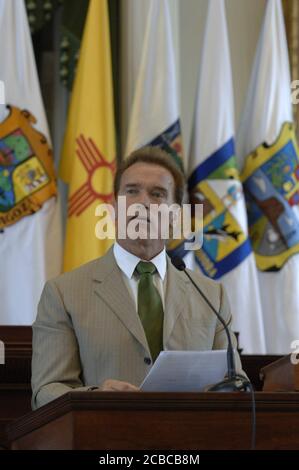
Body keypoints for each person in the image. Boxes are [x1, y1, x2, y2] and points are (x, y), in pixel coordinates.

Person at [31, 146, 244, 409]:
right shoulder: (63, 293)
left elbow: (236, 385)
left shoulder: (212, 296)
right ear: (113, 208)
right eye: (132, 191)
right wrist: (95, 397)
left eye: (157, 194)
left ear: (175, 216)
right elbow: (46, 390)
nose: (143, 202)